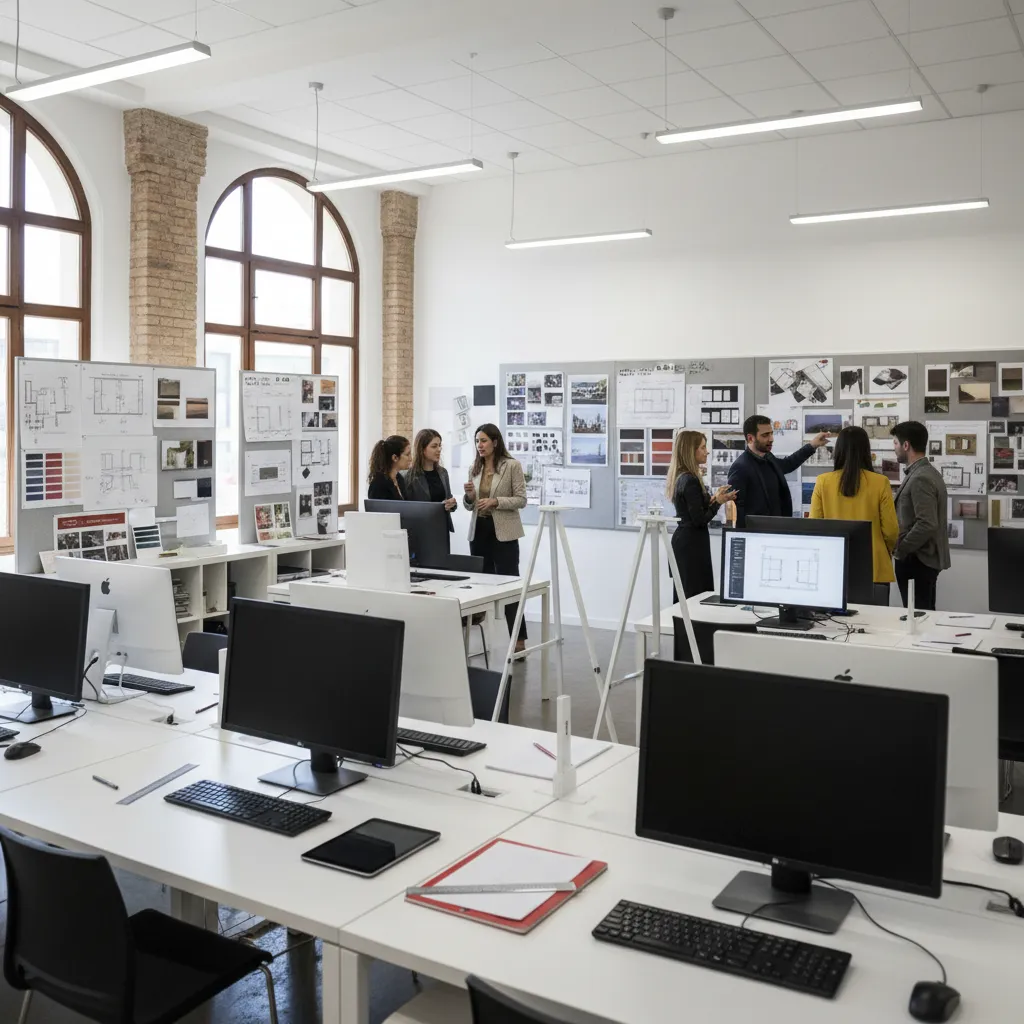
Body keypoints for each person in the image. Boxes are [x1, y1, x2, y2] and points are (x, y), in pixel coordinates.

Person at [809, 425, 899, 605]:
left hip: (833, 568)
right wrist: (883, 548)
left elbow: (814, 528)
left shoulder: (823, 482)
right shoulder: (880, 482)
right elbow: (891, 530)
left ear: (838, 451)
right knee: (875, 627)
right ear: (866, 450)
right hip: (874, 568)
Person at [463, 424, 528, 651]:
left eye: (483, 441)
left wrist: (496, 501)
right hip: (479, 530)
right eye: (477, 441)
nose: (479, 446)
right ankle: (484, 639)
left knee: (510, 585)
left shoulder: (512, 466)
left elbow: (521, 499)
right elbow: (468, 505)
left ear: (495, 442)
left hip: (503, 532)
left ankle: (518, 639)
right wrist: (469, 496)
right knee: (480, 584)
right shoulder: (474, 468)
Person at [666, 430, 737, 601]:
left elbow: (694, 510)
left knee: (687, 592)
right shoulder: (689, 480)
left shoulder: (683, 476)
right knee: (694, 595)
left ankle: (686, 628)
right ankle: (689, 629)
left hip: (688, 540)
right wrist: (718, 502)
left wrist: (714, 499)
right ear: (691, 451)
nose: (707, 451)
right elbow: (699, 519)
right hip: (691, 543)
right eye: (703, 447)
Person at [728, 414, 829, 527]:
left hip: (776, 528)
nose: (771, 439)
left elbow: (788, 464)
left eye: (771, 433)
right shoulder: (740, 467)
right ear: (751, 438)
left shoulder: (768, 457)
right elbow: (737, 511)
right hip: (758, 535)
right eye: (765, 435)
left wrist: (812, 445)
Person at [890, 420, 950, 611]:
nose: (895, 449)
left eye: (896, 444)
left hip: (917, 559)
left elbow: (927, 523)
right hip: (920, 559)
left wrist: (902, 548)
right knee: (923, 617)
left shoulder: (920, 477)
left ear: (906, 445)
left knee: (918, 620)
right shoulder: (924, 472)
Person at [401, 429, 458, 532]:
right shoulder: (409, 476)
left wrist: (452, 504)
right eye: (434, 446)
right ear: (422, 449)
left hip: (441, 528)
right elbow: (406, 508)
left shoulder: (443, 473)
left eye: (440, 445)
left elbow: (448, 499)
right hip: (419, 530)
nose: (439, 449)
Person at [366, 435, 410, 501]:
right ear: (395, 458)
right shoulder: (378, 484)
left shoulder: (399, 478)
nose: (410, 459)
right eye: (407, 455)